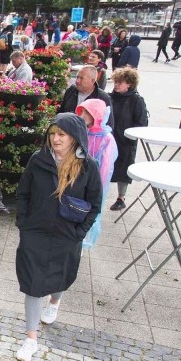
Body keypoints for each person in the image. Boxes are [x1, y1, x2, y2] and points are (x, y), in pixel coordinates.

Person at [14, 113, 102, 361]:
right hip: (35, 232)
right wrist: (23, 223)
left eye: (61, 134)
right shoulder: (38, 160)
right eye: (52, 133)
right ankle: (31, 338)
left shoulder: (88, 167)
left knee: (60, 275)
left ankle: (55, 301)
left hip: (67, 235)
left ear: (75, 138)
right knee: (32, 283)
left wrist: (79, 233)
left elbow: (95, 204)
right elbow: (23, 193)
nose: (55, 139)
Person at [76, 99, 117, 249]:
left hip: (93, 182)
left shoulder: (106, 138)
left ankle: (83, 239)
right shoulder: (82, 132)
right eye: (82, 111)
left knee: (90, 210)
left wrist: (96, 184)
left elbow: (105, 168)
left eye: (87, 111)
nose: (83, 114)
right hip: (78, 179)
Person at [109, 67, 148, 211]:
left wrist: (129, 135)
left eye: (120, 82)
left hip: (125, 141)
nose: (116, 85)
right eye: (116, 82)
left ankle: (121, 198)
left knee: (123, 169)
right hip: (110, 139)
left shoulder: (136, 100)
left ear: (129, 84)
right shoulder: (110, 97)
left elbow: (142, 122)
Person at [59, 66, 114, 130]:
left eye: (81, 78)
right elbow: (61, 111)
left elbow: (108, 124)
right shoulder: (71, 90)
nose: (77, 81)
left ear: (92, 81)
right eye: (77, 77)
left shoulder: (103, 98)